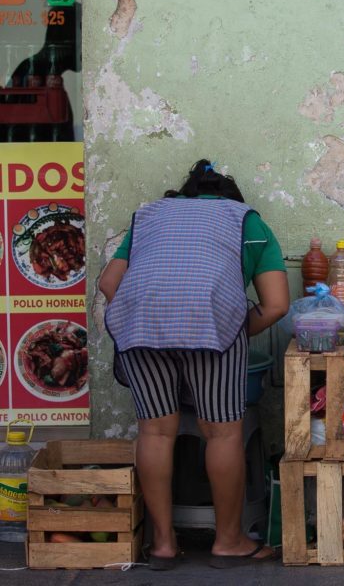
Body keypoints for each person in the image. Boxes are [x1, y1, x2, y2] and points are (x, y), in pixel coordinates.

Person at [98, 160, 289, 570]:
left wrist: (151, 318)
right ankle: (229, 541)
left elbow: (109, 284)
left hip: (140, 328)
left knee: (155, 430)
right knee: (222, 433)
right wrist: (229, 328)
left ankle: (163, 545)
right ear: (229, 201)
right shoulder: (247, 221)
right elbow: (276, 305)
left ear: (186, 196)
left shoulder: (150, 216)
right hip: (211, 329)